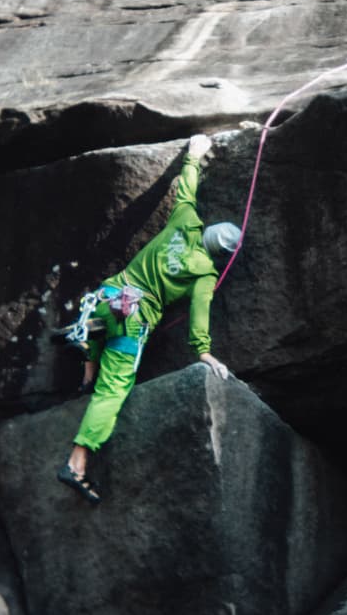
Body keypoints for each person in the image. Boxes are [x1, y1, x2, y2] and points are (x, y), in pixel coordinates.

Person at [57, 134, 240, 503]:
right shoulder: (205, 276)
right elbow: (199, 316)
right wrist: (203, 352)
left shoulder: (185, 221)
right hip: (133, 320)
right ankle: (77, 463)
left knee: (102, 322)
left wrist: (194, 155)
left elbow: (186, 189)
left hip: (109, 294)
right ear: (222, 258)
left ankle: (87, 360)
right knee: (114, 390)